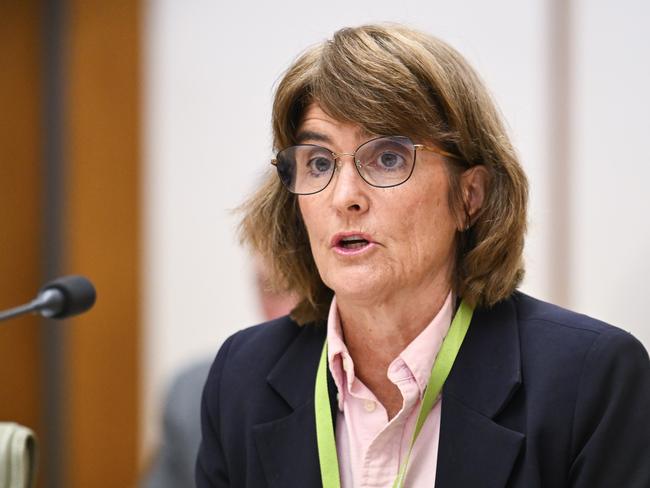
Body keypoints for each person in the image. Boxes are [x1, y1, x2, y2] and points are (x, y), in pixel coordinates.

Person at [196, 24, 650, 488]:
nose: (345, 197)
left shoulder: (589, 381)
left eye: (388, 158)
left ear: (470, 195)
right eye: (318, 162)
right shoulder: (242, 379)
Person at [141, 257, 297, 488]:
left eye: (304, 290)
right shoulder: (192, 392)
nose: (291, 309)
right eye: (272, 289)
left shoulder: (357, 392)